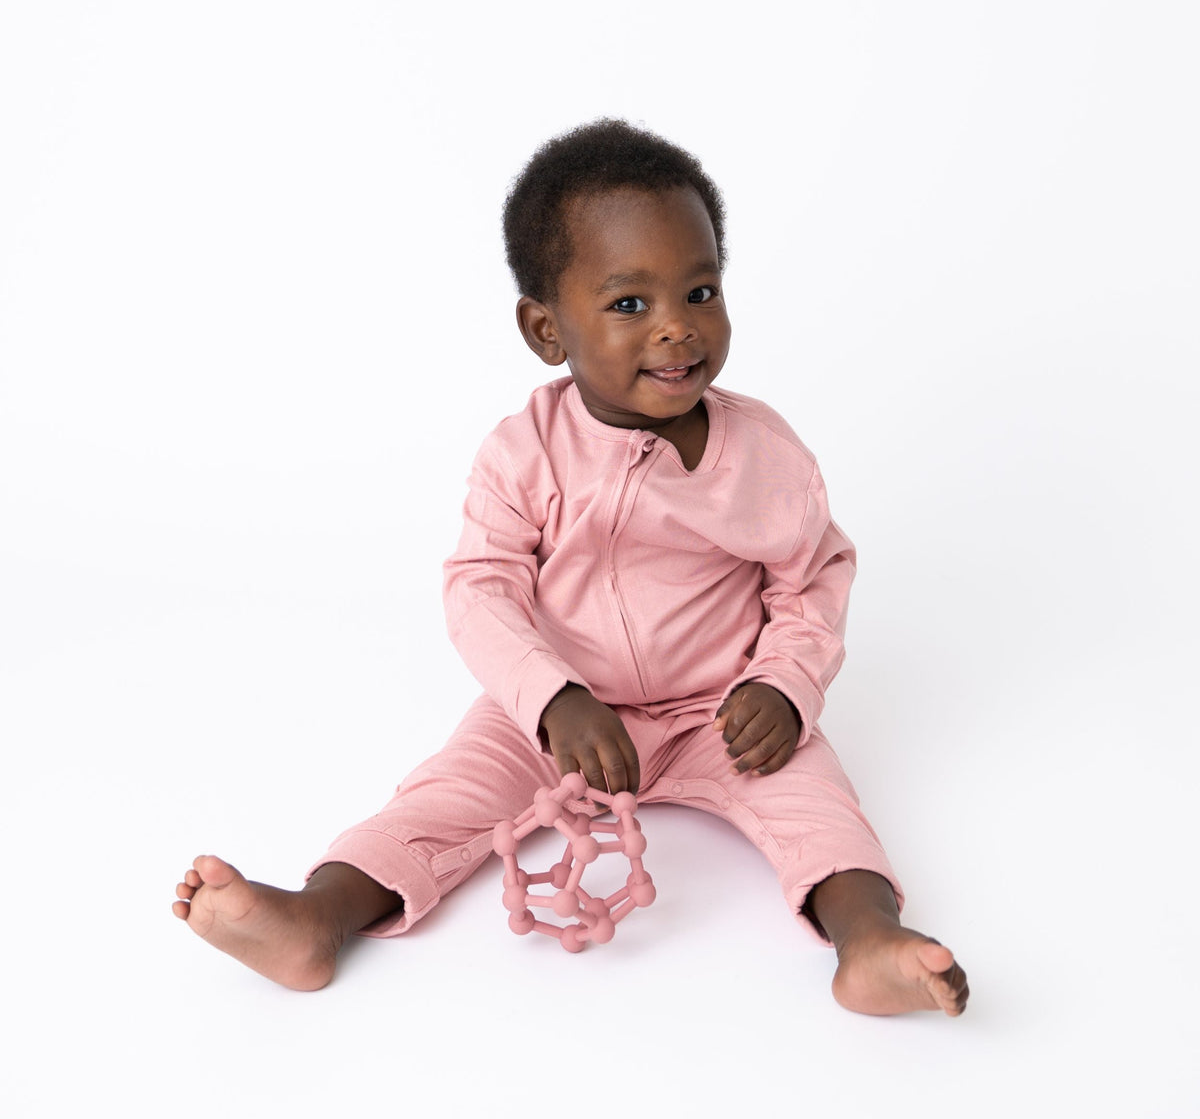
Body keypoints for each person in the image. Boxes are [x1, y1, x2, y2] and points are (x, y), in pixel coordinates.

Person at [172, 119, 968, 1017]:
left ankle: (870, 940)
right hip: (557, 719)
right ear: (547, 329)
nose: (677, 326)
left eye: (700, 291)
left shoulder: (764, 455)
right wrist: (552, 698)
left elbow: (813, 577)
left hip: (721, 712)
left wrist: (784, 686)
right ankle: (316, 918)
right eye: (629, 304)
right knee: (444, 797)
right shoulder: (524, 454)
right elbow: (480, 588)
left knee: (819, 806)